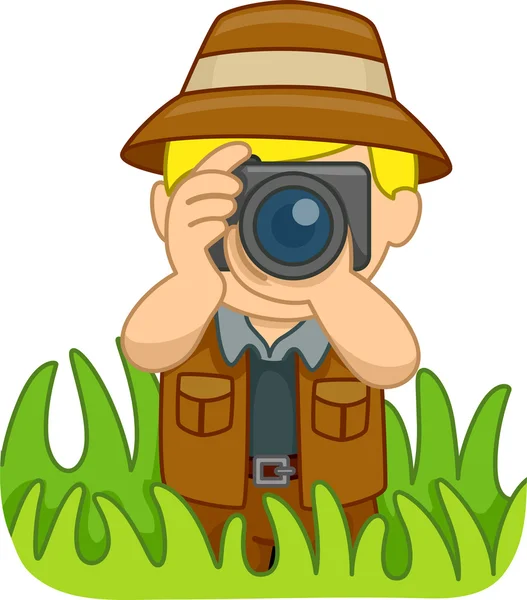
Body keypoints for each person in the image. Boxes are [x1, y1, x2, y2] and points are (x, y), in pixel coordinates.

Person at [120, 1, 451, 572]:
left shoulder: (353, 321)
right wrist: (193, 276)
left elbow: (395, 362)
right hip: (208, 510)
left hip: (334, 514)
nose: (289, 218)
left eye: (327, 193)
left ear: (398, 216)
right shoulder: (193, 307)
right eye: (246, 190)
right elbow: (146, 348)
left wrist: (335, 287)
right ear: (166, 209)